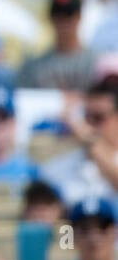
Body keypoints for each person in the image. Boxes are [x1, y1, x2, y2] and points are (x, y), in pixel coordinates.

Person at [37, 77, 118, 205]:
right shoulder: (55, 168)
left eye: (98, 117)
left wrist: (91, 142)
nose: (89, 124)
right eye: (86, 116)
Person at [16, 0, 98, 91]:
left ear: (79, 17)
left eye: (68, 15)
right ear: (51, 19)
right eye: (58, 16)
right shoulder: (34, 67)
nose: (64, 22)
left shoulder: (97, 63)